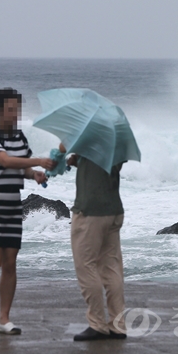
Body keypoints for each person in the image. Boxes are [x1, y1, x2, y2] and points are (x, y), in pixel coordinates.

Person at [0, 88, 55, 336]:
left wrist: (35, 174)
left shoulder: (19, 136)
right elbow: (5, 161)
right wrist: (37, 161)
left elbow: (22, 168)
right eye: (10, 109)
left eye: (17, 109)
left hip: (12, 205)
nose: (14, 114)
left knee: (10, 263)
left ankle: (5, 319)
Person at [61, 143, 127, 341]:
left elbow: (64, 146)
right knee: (112, 267)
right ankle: (118, 325)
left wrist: (73, 153)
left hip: (90, 211)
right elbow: (103, 169)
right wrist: (80, 162)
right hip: (113, 209)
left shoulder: (87, 136)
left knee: (86, 265)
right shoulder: (116, 140)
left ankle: (97, 323)